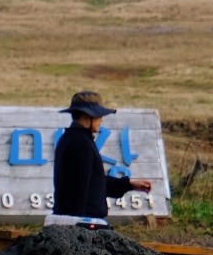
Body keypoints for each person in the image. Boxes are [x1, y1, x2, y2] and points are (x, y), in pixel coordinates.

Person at [50, 90, 152, 227]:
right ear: (88, 116)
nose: (101, 120)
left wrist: (129, 184)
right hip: (84, 223)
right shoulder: (81, 144)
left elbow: (94, 182)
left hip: (79, 222)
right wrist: (77, 230)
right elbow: (77, 190)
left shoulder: (70, 139)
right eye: (99, 116)